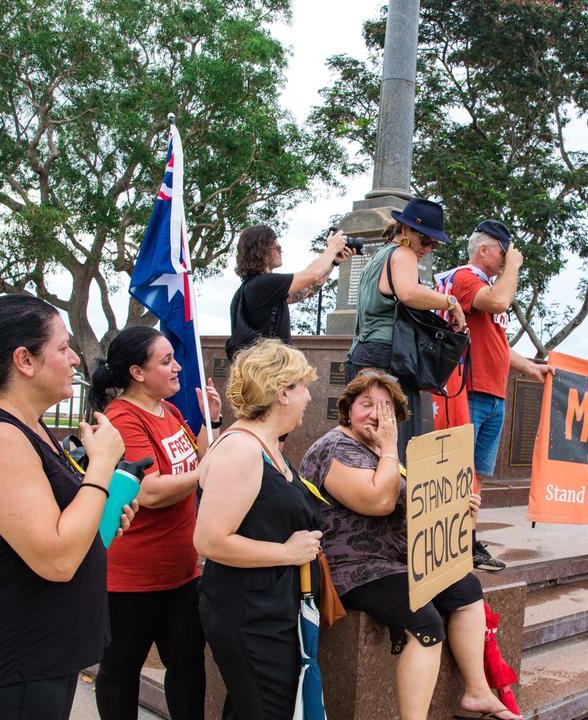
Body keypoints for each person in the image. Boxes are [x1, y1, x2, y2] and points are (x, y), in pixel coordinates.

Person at [0, 295, 135, 719]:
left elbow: (60, 526)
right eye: (63, 348)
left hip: (46, 645)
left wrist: (100, 514)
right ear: (24, 360)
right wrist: (102, 464)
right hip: (18, 650)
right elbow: (56, 558)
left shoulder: (30, 426)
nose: (73, 359)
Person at [299, 370, 521, 720]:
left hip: (398, 562)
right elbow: (379, 502)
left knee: (466, 589)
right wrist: (389, 445)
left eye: (386, 407)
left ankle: (477, 691)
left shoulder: (386, 454)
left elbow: (419, 514)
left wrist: (460, 512)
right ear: (348, 409)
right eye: (366, 405)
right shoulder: (335, 447)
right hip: (354, 570)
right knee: (425, 621)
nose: (375, 414)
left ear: (398, 417)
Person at [89, 326, 223, 720]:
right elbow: (147, 491)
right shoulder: (122, 419)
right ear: (137, 372)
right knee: (120, 670)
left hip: (181, 572)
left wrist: (209, 420)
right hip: (132, 578)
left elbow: (197, 459)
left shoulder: (171, 410)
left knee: (186, 667)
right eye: (166, 361)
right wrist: (207, 473)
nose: (177, 367)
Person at [194, 339, 324, 719]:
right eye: (303, 388)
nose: (309, 399)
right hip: (248, 615)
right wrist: (287, 553)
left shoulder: (268, 445)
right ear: (282, 392)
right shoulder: (241, 449)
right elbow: (209, 540)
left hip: (272, 609)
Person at [431, 220, 550, 572]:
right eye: (503, 250)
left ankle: (466, 541)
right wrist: (513, 267)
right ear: (484, 250)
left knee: (477, 475)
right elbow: (499, 302)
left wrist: (531, 368)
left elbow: (496, 343)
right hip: (469, 390)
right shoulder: (468, 278)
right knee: (459, 472)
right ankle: (449, 541)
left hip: (492, 393)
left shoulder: (484, 285)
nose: (507, 257)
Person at [345, 196, 467, 462]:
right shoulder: (403, 254)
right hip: (390, 358)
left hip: (363, 354)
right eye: (425, 240)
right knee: (397, 447)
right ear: (405, 230)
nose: (429, 248)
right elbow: (409, 293)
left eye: (434, 243)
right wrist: (451, 302)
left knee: (363, 443)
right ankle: (393, 502)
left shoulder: (380, 256)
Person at [226, 223, 352, 360]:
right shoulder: (263, 283)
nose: (281, 251)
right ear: (261, 250)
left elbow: (309, 287)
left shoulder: (255, 287)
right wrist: (331, 249)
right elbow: (313, 274)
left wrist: (333, 262)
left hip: (265, 370)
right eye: (277, 247)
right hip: (268, 372)